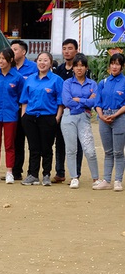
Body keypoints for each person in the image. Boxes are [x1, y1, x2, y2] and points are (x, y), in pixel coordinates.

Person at [19, 52, 64, 186]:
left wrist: (57, 117)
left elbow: (60, 101)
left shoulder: (56, 80)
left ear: (50, 63)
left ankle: (46, 174)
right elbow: (24, 100)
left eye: (45, 60)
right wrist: (23, 116)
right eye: (40, 60)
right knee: (33, 147)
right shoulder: (30, 79)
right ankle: (32, 174)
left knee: (46, 147)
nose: (42, 63)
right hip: (30, 117)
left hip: (48, 118)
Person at [60, 53, 99, 189]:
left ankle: (96, 178)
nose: (79, 69)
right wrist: (85, 102)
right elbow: (67, 101)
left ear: (86, 68)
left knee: (89, 150)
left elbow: (94, 101)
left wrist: (78, 100)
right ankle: (74, 177)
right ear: (73, 68)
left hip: (84, 117)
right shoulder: (67, 83)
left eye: (82, 66)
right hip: (69, 117)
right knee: (71, 149)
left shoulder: (92, 84)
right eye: (76, 66)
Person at [0, 48, 24, 184]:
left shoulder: (17, 77)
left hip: (10, 114)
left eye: (3, 58)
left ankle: (9, 172)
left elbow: (21, 96)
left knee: (9, 145)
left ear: (11, 60)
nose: (0, 61)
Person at [93, 53, 125, 191]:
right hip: (104, 118)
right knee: (108, 151)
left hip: (119, 117)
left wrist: (115, 115)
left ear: (122, 67)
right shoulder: (103, 82)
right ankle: (106, 180)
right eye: (112, 63)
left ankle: (118, 180)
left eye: (117, 64)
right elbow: (97, 102)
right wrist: (101, 116)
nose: (114, 66)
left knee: (118, 152)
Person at [53, 39, 84, 183]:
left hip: (78, 112)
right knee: (60, 142)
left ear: (76, 50)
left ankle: (76, 173)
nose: (66, 51)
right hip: (61, 111)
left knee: (77, 143)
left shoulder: (82, 70)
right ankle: (60, 172)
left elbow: (86, 93)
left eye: (70, 48)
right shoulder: (58, 70)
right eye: (64, 48)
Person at [10, 39, 38, 181]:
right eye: (11, 49)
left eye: (15, 49)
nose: (12, 52)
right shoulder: (9, 67)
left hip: (30, 109)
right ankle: (16, 170)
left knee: (33, 142)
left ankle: (32, 172)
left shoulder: (34, 67)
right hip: (13, 109)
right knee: (16, 141)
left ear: (23, 52)